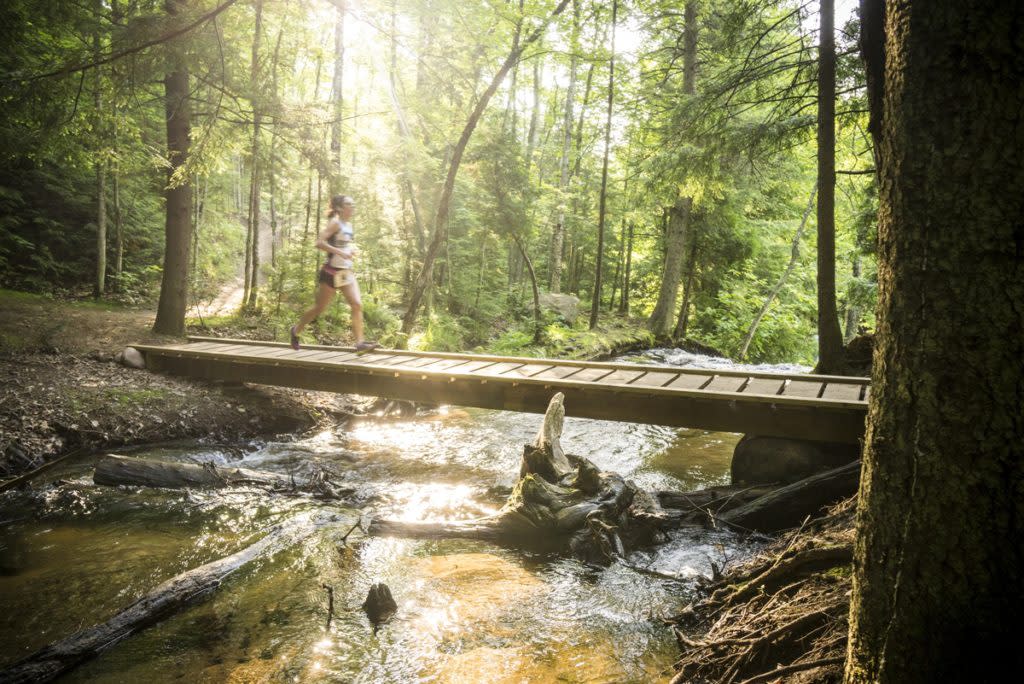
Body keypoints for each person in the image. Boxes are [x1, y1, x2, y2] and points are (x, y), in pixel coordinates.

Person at [290, 194, 378, 352]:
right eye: (348, 204)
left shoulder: (348, 225)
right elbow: (319, 243)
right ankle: (296, 330)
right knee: (319, 308)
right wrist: (340, 252)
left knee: (357, 304)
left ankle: (360, 344)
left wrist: (349, 251)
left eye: (353, 203)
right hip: (331, 273)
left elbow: (343, 246)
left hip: (345, 272)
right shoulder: (335, 223)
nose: (352, 206)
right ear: (340, 208)